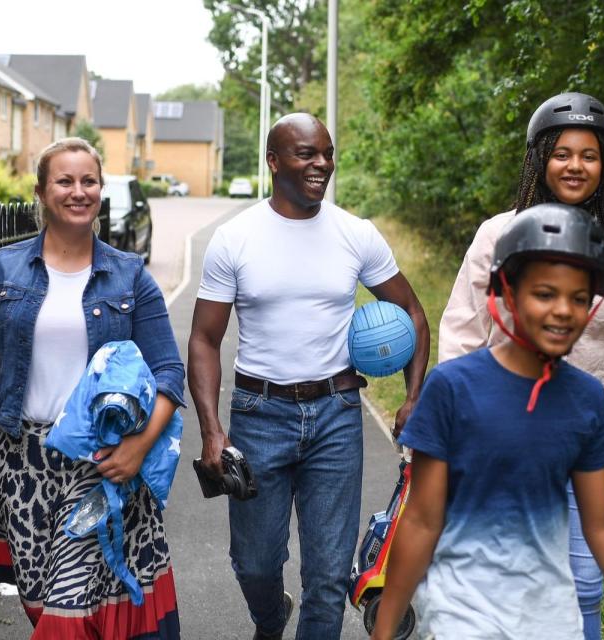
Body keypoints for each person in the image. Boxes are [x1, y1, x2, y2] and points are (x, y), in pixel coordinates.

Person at [372, 203, 604, 640]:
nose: (563, 310)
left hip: (549, 616)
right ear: (506, 293)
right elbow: (422, 520)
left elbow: (603, 524)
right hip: (463, 612)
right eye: (545, 294)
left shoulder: (587, 400)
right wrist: (383, 630)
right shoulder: (451, 389)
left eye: (579, 298)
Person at [437, 92, 604, 639]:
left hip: (584, 434)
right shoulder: (497, 236)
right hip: (501, 435)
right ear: (540, 158)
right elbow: (461, 333)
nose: (575, 166)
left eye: (589, 155)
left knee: (586, 584)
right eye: (563, 153)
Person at [187, 113, 430, 640]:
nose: (321, 163)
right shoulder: (236, 239)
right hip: (258, 415)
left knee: (326, 577)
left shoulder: (355, 234)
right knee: (255, 564)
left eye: (327, 152)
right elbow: (205, 338)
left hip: (337, 416)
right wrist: (211, 431)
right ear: (274, 161)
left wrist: (414, 395)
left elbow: (411, 310)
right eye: (306, 153)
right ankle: (271, 619)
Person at [0, 137, 185, 639]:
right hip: (21, 466)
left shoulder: (129, 277)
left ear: (100, 190)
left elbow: (168, 374)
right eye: (65, 181)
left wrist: (136, 448)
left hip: (102, 465)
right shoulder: (1, 271)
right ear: (42, 192)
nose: (78, 191)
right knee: (42, 605)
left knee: (69, 615)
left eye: (88, 181)